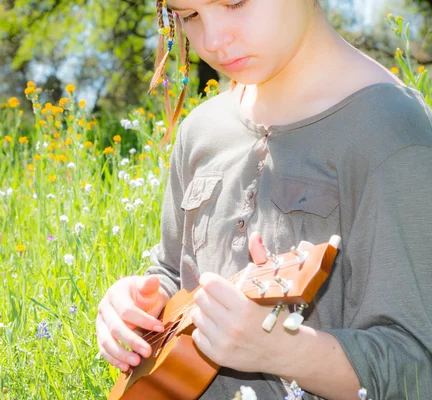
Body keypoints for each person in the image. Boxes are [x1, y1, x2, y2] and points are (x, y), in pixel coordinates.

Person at [95, 0, 432, 398]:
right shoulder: (200, 131)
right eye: (190, 16)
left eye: (235, 2)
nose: (215, 40)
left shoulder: (393, 133)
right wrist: (137, 305)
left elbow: (416, 366)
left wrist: (283, 353)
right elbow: (174, 274)